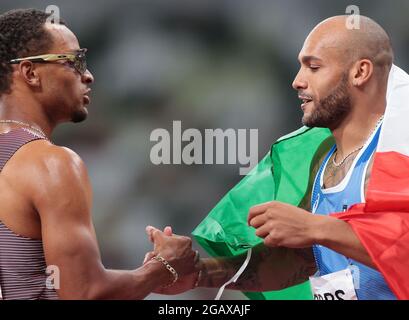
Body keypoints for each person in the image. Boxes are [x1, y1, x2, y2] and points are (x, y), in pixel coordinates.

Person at [147, 15, 397, 300]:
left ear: (360, 72)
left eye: (313, 67)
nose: (297, 81)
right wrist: (199, 274)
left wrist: (313, 226)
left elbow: (400, 249)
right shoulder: (323, 160)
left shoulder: (398, 151)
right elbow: (302, 259)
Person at [0, 8, 198, 300]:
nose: (89, 76)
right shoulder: (49, 163)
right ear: (30, 73)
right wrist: (165, 266)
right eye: (74, 62)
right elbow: (84, 292)